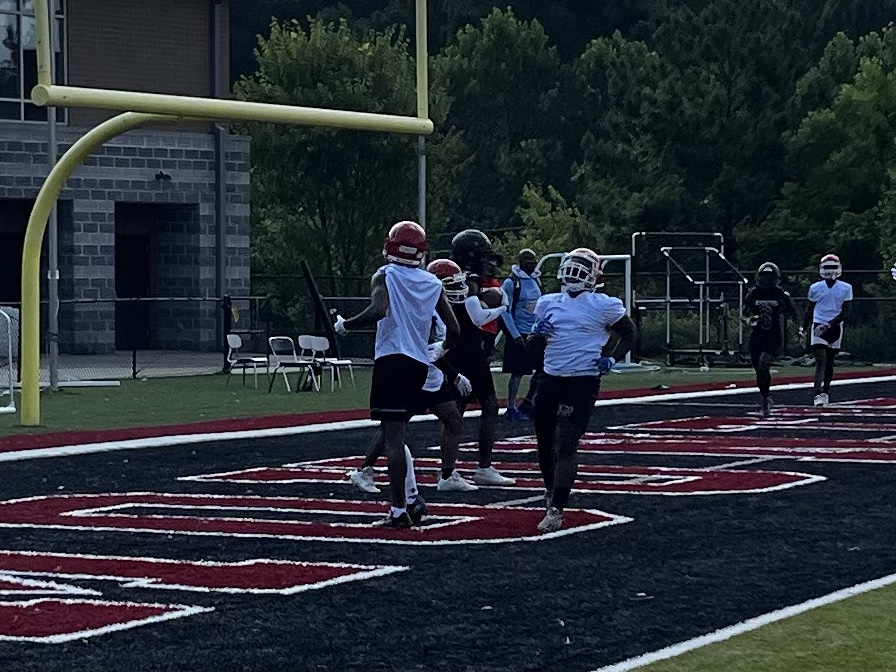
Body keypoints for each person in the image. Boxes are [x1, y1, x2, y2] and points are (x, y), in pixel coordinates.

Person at [334, 221, 461, 528]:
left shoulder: (386, 274)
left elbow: (379, 310)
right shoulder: (433, 283)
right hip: (418, 364)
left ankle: (398, 509)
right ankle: (410, 498)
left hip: (392, 359)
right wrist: (441, 350)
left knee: (393, 439)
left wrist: (345, 325)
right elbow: (455, 330)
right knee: (397, 434)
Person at [527, 248, 636, 533]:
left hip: (582, 381)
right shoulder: (548, 302)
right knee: (544, 443)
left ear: (595, 276)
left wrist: (612, 358)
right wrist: (536, 334)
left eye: (582, 267)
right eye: (572, 266)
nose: (574, 272)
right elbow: (532, 349)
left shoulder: (604, 304)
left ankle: (556, 508)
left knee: (566, 442)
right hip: (550, 378)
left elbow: (630, 333)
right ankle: (551, 493)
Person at [349, 260, 479, 494]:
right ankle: (367, 472)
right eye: (451, 284)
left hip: (430, 375)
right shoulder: (426, 305)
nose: (458, 289)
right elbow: (427, 349)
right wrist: (455, 374)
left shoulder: (435, 303)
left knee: (450, 421)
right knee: (395, 429)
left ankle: (447, 475)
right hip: (419, 373)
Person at [447, 230, 516, 486]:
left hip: (453, 347)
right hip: (468, 348)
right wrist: (501, 307)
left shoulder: (449, 276)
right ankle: (481, 467)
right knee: (487, 405)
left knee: (456, 410)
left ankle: (449, 470)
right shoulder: (470, 279)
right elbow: (476, 316)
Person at [742, 262, 802, 416]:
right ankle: (765, 395)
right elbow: (744, 314)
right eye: (764, 277)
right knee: (759, 369)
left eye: (769, 277)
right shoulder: (753, 294)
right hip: (757, 336)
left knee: (763, 364)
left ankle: (765, 399)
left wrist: (799, 330)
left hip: (773, 335)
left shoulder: (781, 294)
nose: (766, 281)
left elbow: (795, 312)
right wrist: (749, 320)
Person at [802, 254, 853, 407]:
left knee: (829, 361)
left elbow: (846, 312)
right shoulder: (815, 288)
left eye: (833, 267)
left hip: (835, 326)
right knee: (821, 359)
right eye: (827, 267)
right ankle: (817, 393)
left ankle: (826, 391)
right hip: (818, 325)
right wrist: (802, 328)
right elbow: (809, 310)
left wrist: (830, 324)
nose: (830, 271)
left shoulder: (846, 288)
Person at [501, 248, 542, 421]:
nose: (531, 265)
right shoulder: (511, 283)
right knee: (517, 372)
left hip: (535, 332)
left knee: (543, 369)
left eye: (533, 262)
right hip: (519, 332)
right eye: (528, 262)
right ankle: (511, 407)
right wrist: (515, 334)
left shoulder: (535, 280)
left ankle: (528, 402)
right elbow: (505, 310)